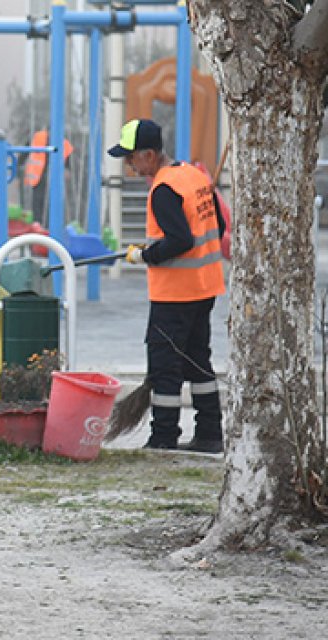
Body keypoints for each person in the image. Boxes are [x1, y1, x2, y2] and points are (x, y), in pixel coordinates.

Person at [108, 119, 226, 453]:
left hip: (175, 295)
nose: (129, 164)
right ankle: (209, 434)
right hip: (204, 289)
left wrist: (146, 255)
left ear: (148, 155)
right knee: (198, 362)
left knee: (165, 368)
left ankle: (163, 437)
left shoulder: (163, 189)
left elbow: (180, 240)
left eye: (131, 158)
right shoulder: (193, 175)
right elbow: (216, 224)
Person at [21, 129, 73, 225]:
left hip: (50, 180)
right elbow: (23, 155)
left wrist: (66, 171)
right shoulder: (37, 138)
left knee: (48, 206)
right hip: (38, 179)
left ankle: (43, 226)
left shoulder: (64, 144)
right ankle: (39, 225)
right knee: (39, 204)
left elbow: (68, 165)